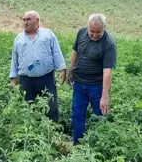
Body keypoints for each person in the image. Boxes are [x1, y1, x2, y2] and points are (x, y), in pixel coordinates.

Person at [68, 14, 117, 145]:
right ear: (88, 27)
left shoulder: (109, 43)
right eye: (92, 31)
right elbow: (75, 52)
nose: (94, 35)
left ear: (105, 28)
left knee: (99, 116)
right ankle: (77, 144)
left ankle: (96, 146)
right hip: (79, 84)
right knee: (77, 114)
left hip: (97, 86)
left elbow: (107, 72)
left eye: (98, 32)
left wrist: (105, 96)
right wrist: (71, 70)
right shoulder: (81, 32)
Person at [9, 10, 66, 122]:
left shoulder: (48, 34)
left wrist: (62, 69)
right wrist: (13, 78)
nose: (25, 22)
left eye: (28, 19)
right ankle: (31, 131)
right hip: (26, 79)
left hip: (46, 77)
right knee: (27, 105)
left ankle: (53, 130)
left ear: (37, 20)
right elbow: (14, 59)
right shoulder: (18, 39)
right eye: (24, 20)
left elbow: (56, 52)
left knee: (50, 104)